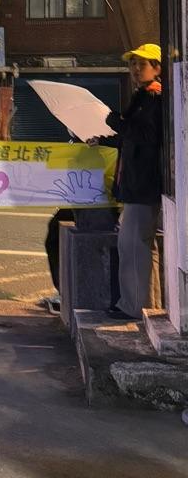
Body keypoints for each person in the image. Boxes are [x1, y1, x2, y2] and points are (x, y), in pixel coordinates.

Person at [87, 43, 163, 321]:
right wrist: (104, 139)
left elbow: (147, 137)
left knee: (131, 246)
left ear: (157, 68)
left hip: (143, 184)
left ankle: (132, 307)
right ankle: (147, 304)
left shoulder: (154, 98)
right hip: (137, 183)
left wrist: (115, 121)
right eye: (132, 64)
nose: (135, 69)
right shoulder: (143, 97)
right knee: (141, 246)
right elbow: (131, 138)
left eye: (142, 64)